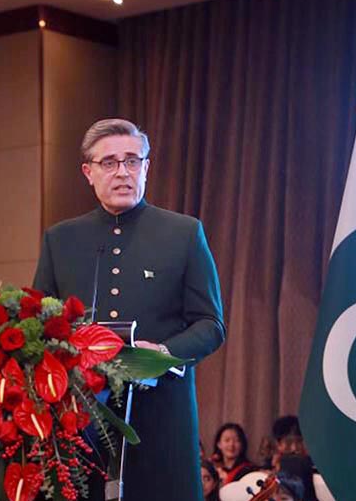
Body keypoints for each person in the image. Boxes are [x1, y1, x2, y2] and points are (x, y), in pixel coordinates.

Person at [33, 118, 226, 500]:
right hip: (81, 416)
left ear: (146, 167)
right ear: (88, 172)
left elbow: (211, 323)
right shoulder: (61, 239)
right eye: (109, 163)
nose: (122, 172)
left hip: (161, 413)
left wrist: (165, 354)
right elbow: (39, 326)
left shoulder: (183, 232)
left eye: (132, 161)